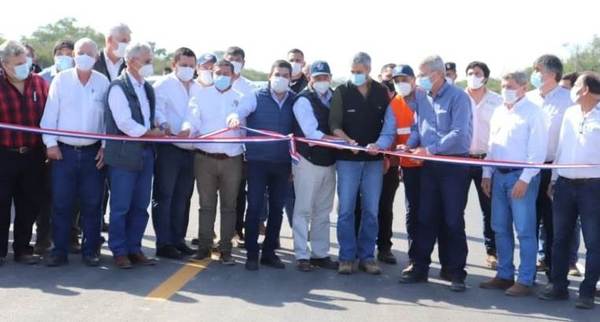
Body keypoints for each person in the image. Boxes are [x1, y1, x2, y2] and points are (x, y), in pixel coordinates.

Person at [399, 55, 472, 292]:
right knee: (425, 217)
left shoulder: (459, 97)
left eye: (422, 74)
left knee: (452, 220)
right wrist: (410, 145)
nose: (419, 79)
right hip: (429, 168)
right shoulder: (422, 98)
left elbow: (460, 134)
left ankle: (456, 272)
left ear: (437, 74)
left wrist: (429, 150)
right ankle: (420, 267)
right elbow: (417, 128)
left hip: (453, 166)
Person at [40, 38, 109, 267]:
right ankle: (59, 250)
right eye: (80, 52)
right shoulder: (61, 80)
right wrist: (50, 144)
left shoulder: (103, 82)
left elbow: (108, 122)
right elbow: (50, 115)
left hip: (92, 154)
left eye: (89, 53)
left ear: (97, 58)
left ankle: (91, 251)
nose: (84, 57)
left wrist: (104, 147)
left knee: (92, 204)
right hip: (64, 153)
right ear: (74, 55)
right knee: (61, 204)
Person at [479, 71, 548, 297]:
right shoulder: (499, 111)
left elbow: (537, 150)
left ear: (523, 87)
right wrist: (487, 173)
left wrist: (525, 179)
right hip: (498, 175)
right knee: (499, 227)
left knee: (525, 230)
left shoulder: (533, 112)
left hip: (521, 177)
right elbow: (492, 145)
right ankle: (504, 274)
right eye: (503, 86)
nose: (505, 90)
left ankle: (525, 279)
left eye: (510, 86)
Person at [538, 72, 600, 309]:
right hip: (564, 184)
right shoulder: (571, 113)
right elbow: (562, 146)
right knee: (560, 238)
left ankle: (587, 291)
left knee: (594, 242)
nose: (572, 89)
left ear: (585, 90)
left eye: (576, 85)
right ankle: (558, 286)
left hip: (593, 187)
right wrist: (554, 178)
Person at [329, 52, 395, 275]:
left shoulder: (381, 92)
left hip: (373, 161)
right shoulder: (342, 91)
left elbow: (388, 125)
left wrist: (381, 146)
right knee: (346, 210)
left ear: (368, 70)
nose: (355, 75)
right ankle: (346, 257)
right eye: (353, 71)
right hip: (348, 160)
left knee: (371, 210)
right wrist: (347, 141)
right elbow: (334, 124)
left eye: (359, 71)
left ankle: (367, 256)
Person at [228, 60, 296, 271]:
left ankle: (268, 253)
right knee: (255, 207)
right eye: (278, 74)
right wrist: (233, 119)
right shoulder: (255, 95)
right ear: (270, 75)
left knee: (277, 209)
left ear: (291, 78)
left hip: (283, 163)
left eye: (286, 75)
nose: (281, 78)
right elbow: (239, 112)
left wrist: (294, 164)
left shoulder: (295, 100)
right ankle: (251, 253)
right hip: (258, 162)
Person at [104, 42, 163, 269]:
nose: (150, 65)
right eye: (147, 61)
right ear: (131, 61)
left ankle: (134, 247)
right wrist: (150, 133)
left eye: (151, 61)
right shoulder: (118, 87)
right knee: (120, 206)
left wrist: (162, 126)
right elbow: (124, 122)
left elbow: (151, 116)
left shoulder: (146, 87)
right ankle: (119, 250)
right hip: (123, 154)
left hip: (146, 153)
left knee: (140, 205)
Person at [181, 59, 245, 265]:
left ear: (233, 76)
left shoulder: (241, 98)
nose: (221, 77)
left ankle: (225, 249)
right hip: (205, 159)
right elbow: (192, 119)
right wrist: (186, 130)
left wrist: (235, 118)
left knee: (229, 206)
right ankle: (203, 248)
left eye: (226, 73)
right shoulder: (200, 96)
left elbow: (239, 113)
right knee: (206, 206)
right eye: (218, 72)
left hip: (232, 160)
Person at [0, 40, 48, 265]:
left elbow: (50, 114)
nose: (23, 67)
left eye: (25, 62)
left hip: (33, 154)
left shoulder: (38, 83)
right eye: (17, 63)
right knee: (1, 203)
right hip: (4, 154)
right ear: (4, 64)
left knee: (29, 203)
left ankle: (22, 249)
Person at [150, 48, 199, 259]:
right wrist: (164, 123)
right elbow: (156, 110)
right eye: (184, 65)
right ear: (174, 64)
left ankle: (178, 239)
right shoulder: (163, 85)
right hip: (169, 147)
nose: (187, 69)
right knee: (164, 195)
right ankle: (164, 243)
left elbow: (199, 114)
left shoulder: (199, 87)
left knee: (183, 197)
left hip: (191, 150)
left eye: (191, 65)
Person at [527, 54, 573, 276]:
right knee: (528, 223)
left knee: (554, 225)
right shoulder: (527, 99)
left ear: (553, 74)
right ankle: (528, 273)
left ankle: (556, 276)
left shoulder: (569, 100)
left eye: (539, 71)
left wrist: (555, 176)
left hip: (554, 169)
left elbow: (568, 142)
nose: (535, 75)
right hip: (528, 170)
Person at [290, 60, 338, 272]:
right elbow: (311, 134)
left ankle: (320, 254)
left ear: (330, 77)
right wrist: (341, 142)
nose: (322, 81)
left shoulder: (335, 98)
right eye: (317, 77)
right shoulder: (303, 100)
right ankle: (302, 254)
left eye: (325, 77)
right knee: (302, 210)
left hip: (329, 161)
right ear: (310, 78)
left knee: (323, 210)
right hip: (307, 160)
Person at [464, 61, 503, 269]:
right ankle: (458, 251)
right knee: (455, 207)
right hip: (461, 159)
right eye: (469, 73)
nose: (473, 76)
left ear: (485, 77)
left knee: (489, 209)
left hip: (487, 161)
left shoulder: (498, 100)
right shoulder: (459, 97)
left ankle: (492, 252)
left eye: (477, 73)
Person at [94, 23, 132, 233]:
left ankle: (105, 232)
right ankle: (83, 235)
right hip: (93, 136)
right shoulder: (92, 62)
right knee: (91, 194)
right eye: (124, 40)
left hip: (120, 140)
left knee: (117, 192)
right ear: (110, 40)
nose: (127, 45)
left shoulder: (129, 65)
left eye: (128, 41)